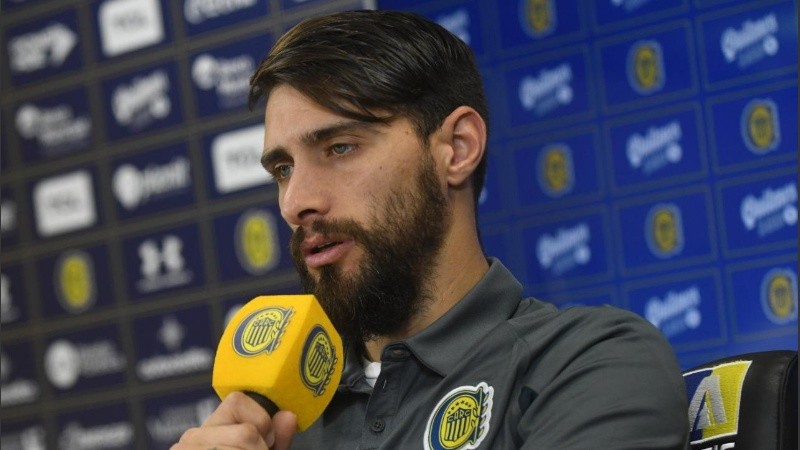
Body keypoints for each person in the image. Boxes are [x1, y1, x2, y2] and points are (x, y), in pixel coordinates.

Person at [172, 9, 689, 450]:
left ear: (457, 148)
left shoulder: (588, 362)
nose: (294, 203)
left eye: (339, 148)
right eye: (283, 169)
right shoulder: (277, 425)